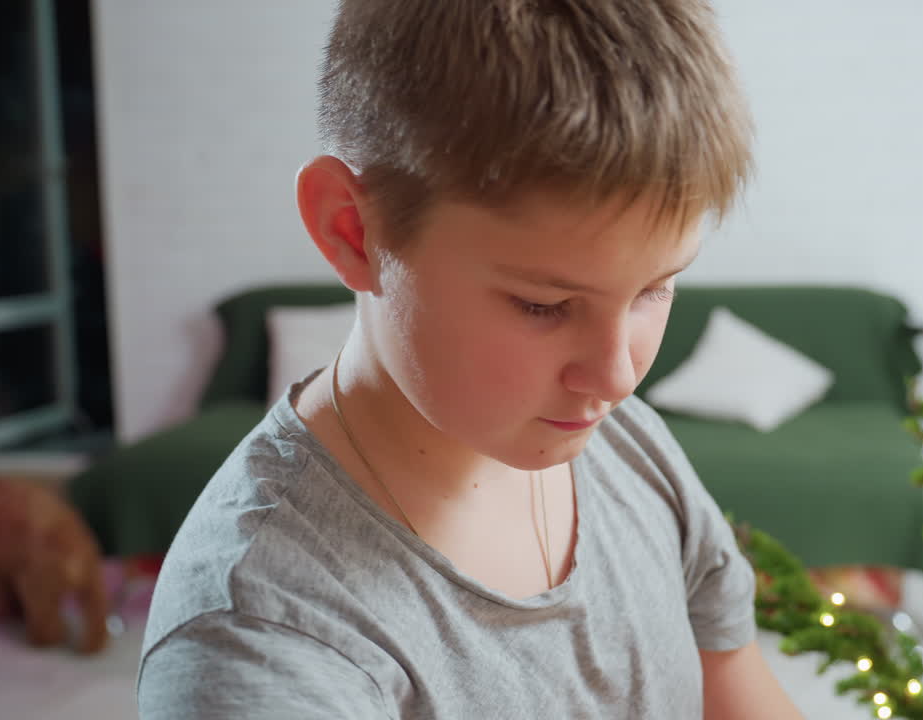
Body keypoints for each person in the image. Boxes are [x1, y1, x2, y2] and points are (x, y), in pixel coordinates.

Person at [137, 1, 806, 717]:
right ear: (352, 232)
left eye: (654, 288)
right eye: (543, 306)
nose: (617, 379)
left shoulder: (631, 448)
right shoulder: (264, 647)